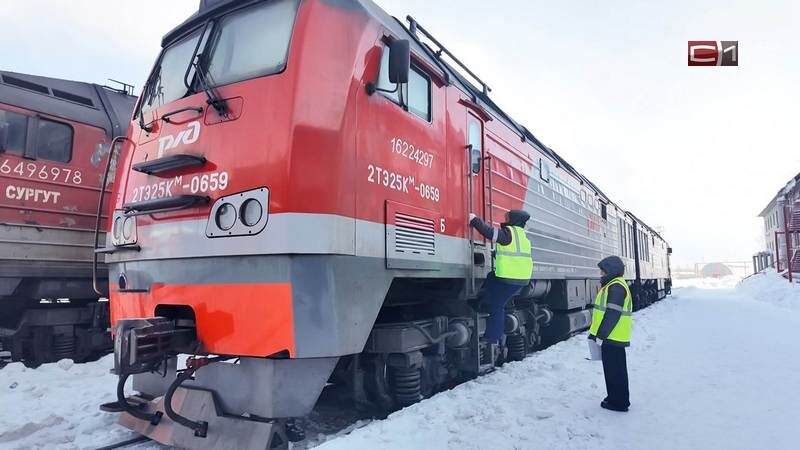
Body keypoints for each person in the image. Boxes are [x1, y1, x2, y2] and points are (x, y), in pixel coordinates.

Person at [468, 209, 533, 345]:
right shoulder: (522, 236)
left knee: (497, 306)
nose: (506, 219)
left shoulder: (509, 233)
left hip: (509, 279)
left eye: (508, 217)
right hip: (520, 279)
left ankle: (493, 337)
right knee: (491, 277)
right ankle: (482, 301)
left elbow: (489, 233)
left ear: (514, 219)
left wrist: (474, 220)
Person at [588, 256, 633, 412]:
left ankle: (619, 402)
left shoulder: (616, 287)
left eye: (603, 270)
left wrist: (601, 335)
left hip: (612, 336)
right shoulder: (614, 285)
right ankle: (614, 397)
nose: (601, 273)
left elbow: (613, 313)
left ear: (610, 270)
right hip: (612, 336)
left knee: (615, 371)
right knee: (613, 369)